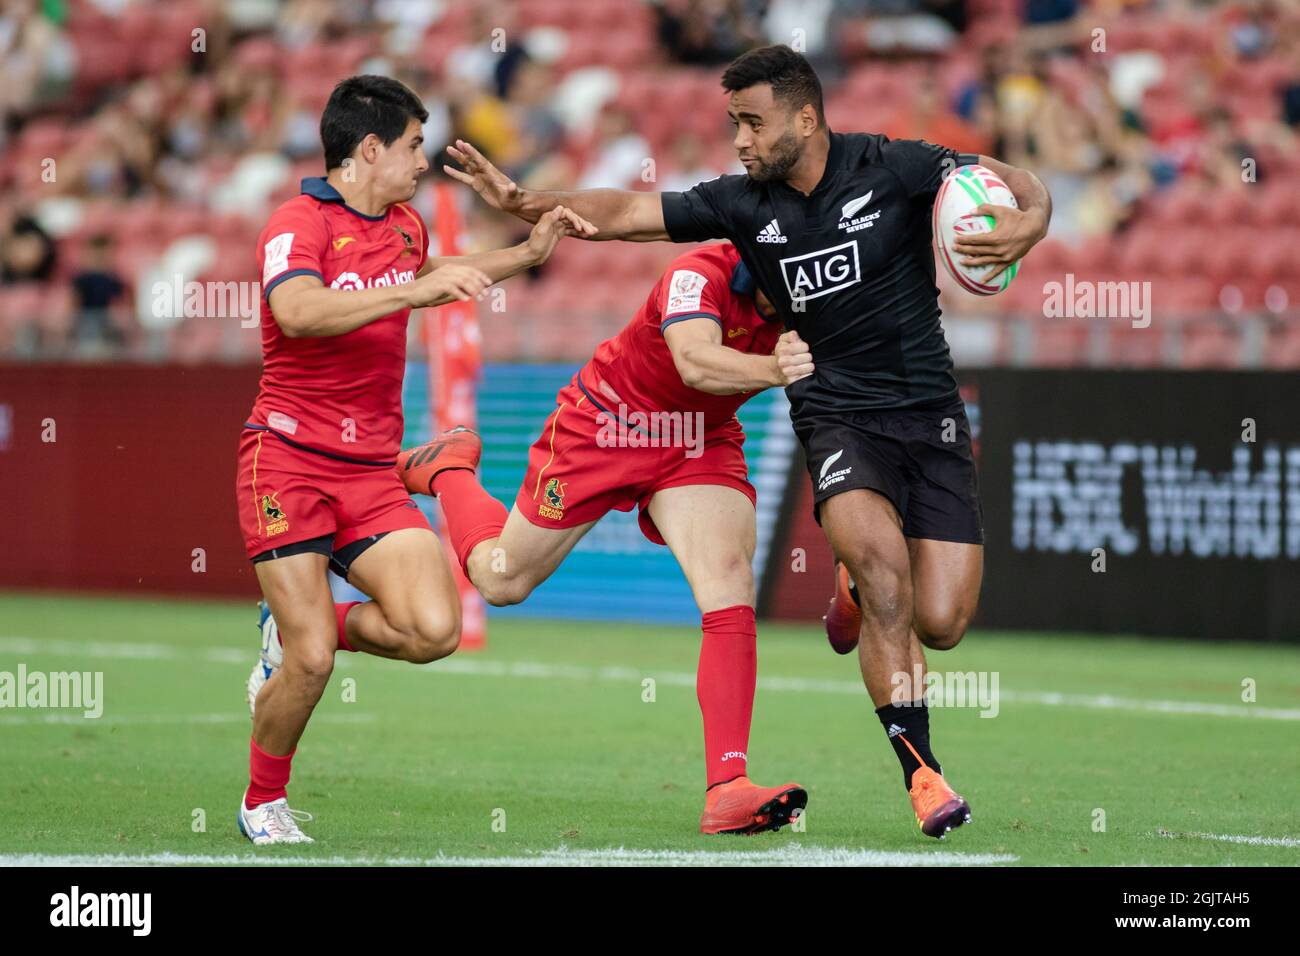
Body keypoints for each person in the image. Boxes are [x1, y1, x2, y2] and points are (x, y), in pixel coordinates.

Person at [442, 44, 1052, 838]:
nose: (739, 140)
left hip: (903, 416)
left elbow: (1011, 178)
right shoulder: (735, 215)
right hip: (749, 419)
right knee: (502, 582)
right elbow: (628, 216)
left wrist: (1030, 220)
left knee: (936, 620)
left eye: (752, 123)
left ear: (805, 117)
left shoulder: (894, 166)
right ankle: (923, 775)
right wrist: (525, 200)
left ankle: (822, 642)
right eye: (733, 123)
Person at [235, 74, 590, 845]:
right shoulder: (294, 224)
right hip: (287, 462)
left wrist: (526, 254)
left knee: (433, 631)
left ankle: (311, 625)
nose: (422, 162)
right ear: (369, 149)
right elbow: (297, 311)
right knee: (313, 666)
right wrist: (405, 297)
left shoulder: (403, 227)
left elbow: (431, 278)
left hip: (369, 472)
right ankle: (263, 800)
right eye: (413, 146)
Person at [398, 241, 812, 834]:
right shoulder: (701, 275)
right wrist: (778, 368)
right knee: (501, 580)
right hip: (608, 423)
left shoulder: (820, 293)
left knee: (728, 578)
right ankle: (449, 470)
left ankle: (727, 787)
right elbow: (696, 362)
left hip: (698, 437)